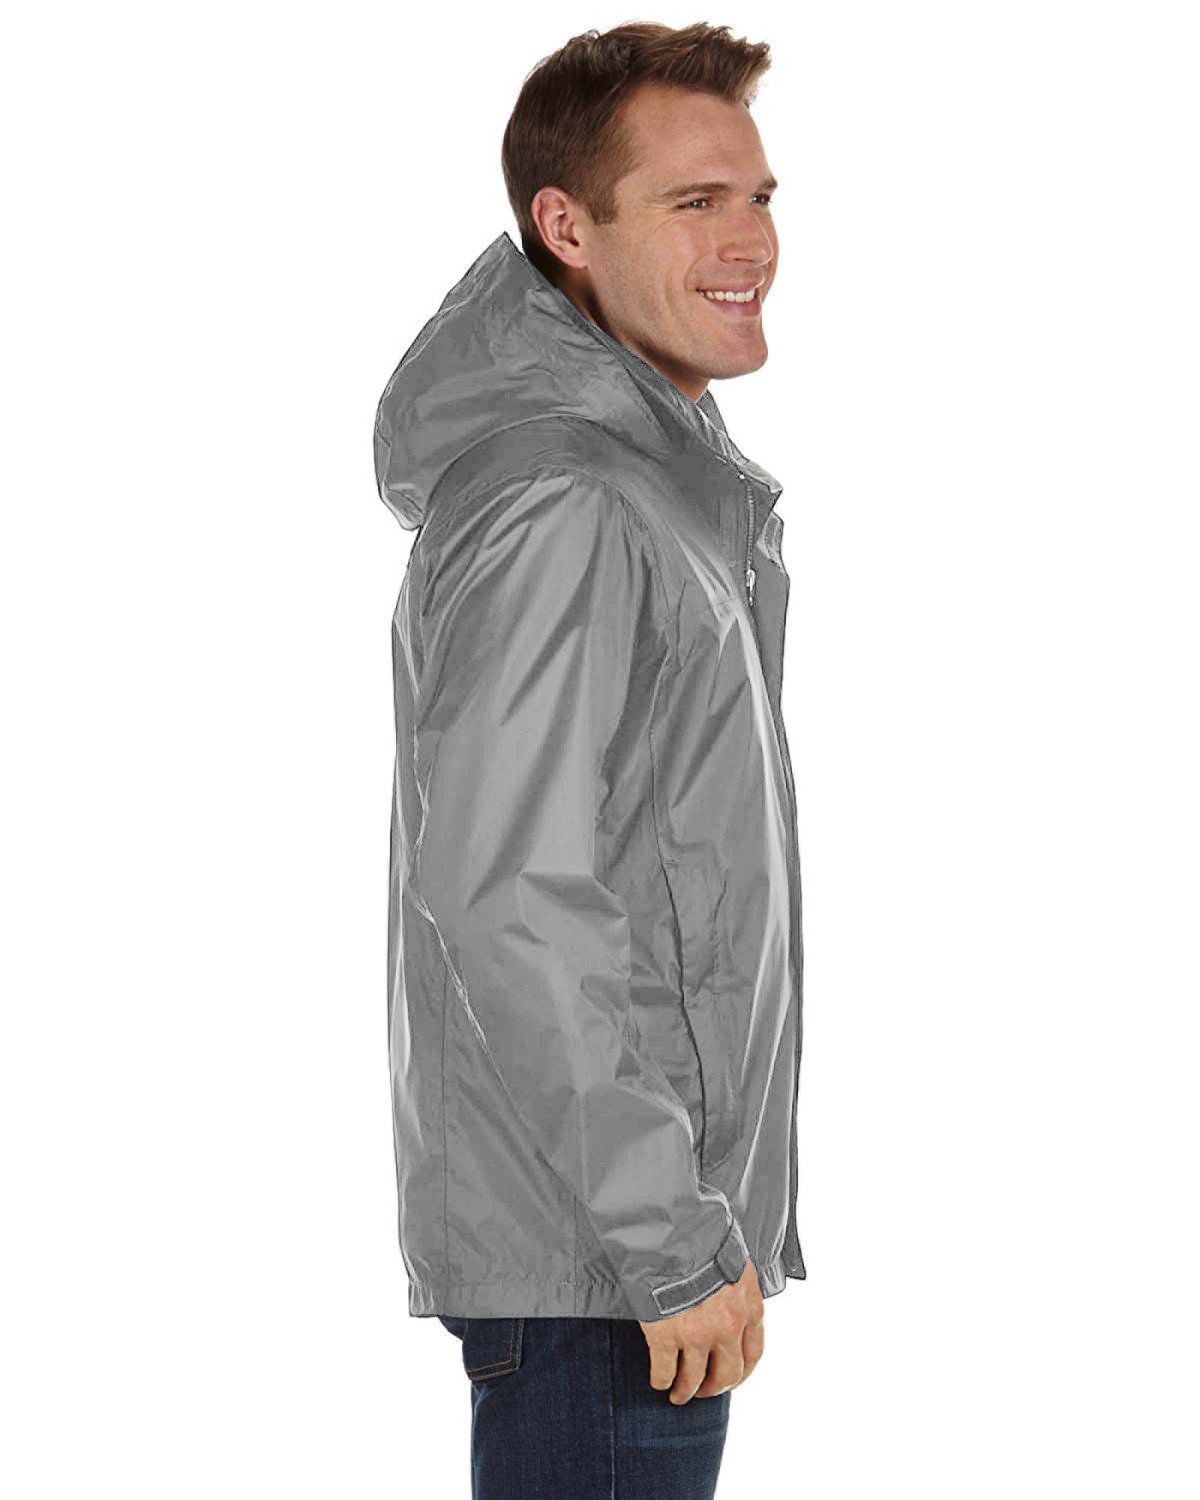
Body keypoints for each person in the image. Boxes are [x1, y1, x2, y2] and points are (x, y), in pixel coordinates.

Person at [372, 21, 806, 1498]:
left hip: (620, 1254)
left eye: (759, 197)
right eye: (695, 203)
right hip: (608, 1271)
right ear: (567, 228)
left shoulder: (638, 480)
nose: (750, 242)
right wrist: (669, 1239)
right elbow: (508, 892)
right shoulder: (564, 498)